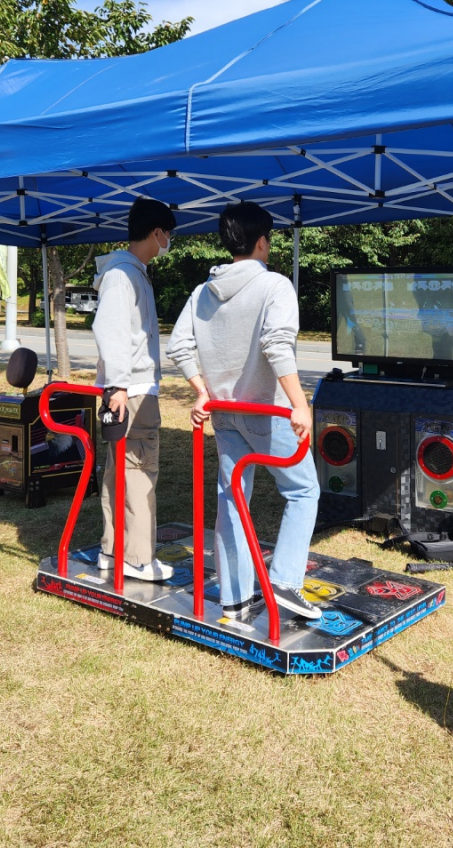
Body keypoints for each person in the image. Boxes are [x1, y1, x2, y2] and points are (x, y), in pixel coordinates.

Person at [167, 202, 322, 620]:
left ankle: (235, 598)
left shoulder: (203, 292)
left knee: (232, 499)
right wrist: (300, 404)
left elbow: (179, 345)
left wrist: (201, 390)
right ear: (261, 242)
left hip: (223, 410)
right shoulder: (274, 286)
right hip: (266, 411)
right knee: (304, 490)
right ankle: (286, 582)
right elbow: (276, 345)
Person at [89, 196, 178, 582]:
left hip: (127, 388)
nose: (169, 241)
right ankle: (138, 558)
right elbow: (110, 330)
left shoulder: (127, 272)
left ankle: (113, 550)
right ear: (157, 233)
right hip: (132, 391)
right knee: (139, 472)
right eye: (168, 234)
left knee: (119, 470)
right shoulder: (123, 275)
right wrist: (119, 386)